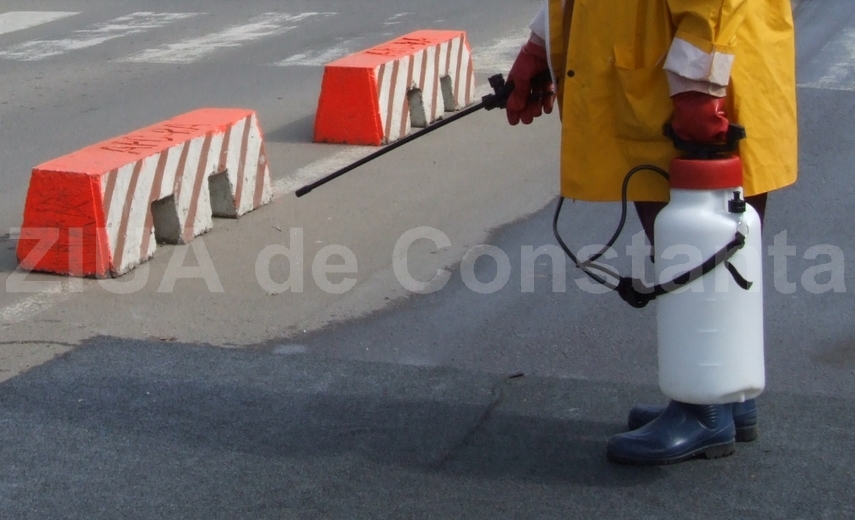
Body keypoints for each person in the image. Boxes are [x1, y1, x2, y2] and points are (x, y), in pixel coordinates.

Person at [505, 0, 797, 465]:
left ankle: (704, 407)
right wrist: (544, 41)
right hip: (677, 61)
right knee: (706, 236)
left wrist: (700, 83)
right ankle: (728, 393)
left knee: (699, 241)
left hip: (696, 68)